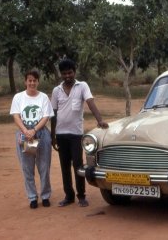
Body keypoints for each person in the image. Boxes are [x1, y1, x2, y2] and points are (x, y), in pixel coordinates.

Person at [51, 58, 109, 207]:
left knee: (77, 165)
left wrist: (100, 120)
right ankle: (68, 196)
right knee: (64, 166)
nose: (67, 76)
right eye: (64, 73)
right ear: (61, 74)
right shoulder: (56, 91)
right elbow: (54, 113)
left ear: (74, 72)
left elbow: (90, 103)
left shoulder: (82, 86)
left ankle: (81, 195)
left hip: (76, 134)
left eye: (70, 72)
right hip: (61, 134)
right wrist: (53, 136)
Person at [10, 69, 54, 209]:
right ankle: (32, 197)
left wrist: (34, 130)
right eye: (29, 80)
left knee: (44, 166)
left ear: (38, 82)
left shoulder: (43, 97)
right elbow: (16, 115)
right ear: (25, 81)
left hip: (41, 133)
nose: (32, 83)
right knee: (27, 167)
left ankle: (45, 195)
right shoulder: (18, 97)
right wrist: (26, 131)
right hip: (25, 134)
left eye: (35, 80)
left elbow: (46, 116)